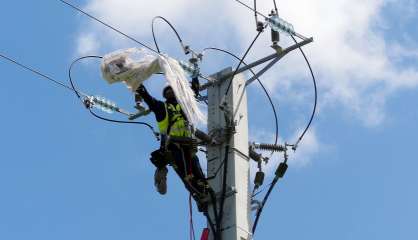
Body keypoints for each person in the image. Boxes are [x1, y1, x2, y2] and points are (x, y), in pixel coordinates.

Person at [135, 84, 208, 210]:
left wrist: (195, 77)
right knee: (187, 173)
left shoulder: (184, 107)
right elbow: (149, 100)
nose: (170, 93)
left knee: (197, 171)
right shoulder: (162, 108)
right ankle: (200, 195)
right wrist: (139, 86)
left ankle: (205, 191)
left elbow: (193, 93)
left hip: (188, 145)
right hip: (174, 146)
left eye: (171, 91)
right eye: (167, 92)